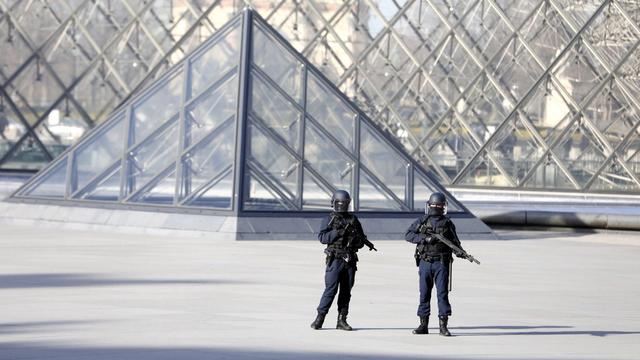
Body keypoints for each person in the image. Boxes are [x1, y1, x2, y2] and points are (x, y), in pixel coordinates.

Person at [310, 189, 375, 331]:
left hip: (349, 260)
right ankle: (320, 318)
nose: (343, 205)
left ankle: (342, 319)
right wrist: (338, 232)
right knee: (330, 290)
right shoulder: (329, 219)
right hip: (335, 259)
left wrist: (354, 240)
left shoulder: (353, 220)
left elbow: (361, 241)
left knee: (346, 291)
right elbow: (322, 238)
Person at [405, 192, 466, 336]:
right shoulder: (422, 221)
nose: (437, 207)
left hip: (441, 263)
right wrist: (425, 239)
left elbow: (455, 243)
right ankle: (423, 325)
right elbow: (408, 235)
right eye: (438, 205)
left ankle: (442, 325)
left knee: (441, 294)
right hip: (426, 262)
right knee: (425, 294)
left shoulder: (447, 223)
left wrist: (460, 252)